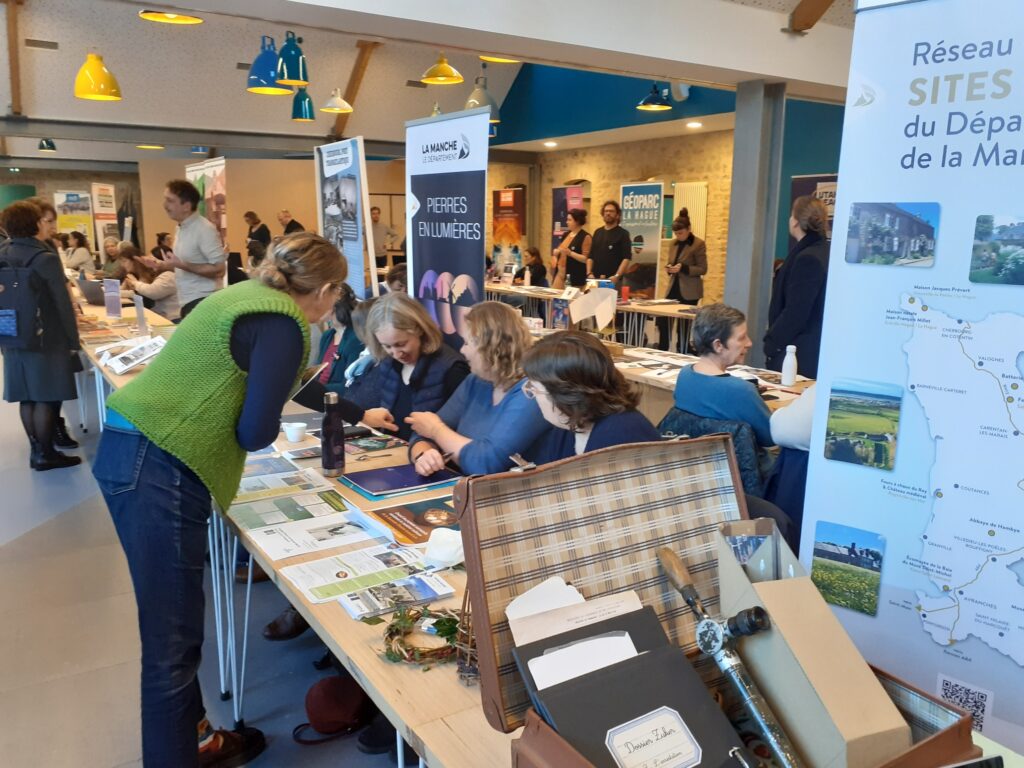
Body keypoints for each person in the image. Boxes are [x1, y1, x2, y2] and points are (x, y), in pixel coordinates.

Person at [92, 233, 352, 768]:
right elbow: (255, 431)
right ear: (327, 289)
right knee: (170, 648)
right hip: (160, 465)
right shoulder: (285, 323)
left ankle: (199, 741)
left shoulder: (243, 296)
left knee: (172, 634)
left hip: (135, 451)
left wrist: (346, 409)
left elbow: (261, 382)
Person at [406, 301, 551, 475]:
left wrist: (436, 430)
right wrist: (423, 456)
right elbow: (422, 431)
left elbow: (486, 464)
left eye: (467, 343)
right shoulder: (477, 381)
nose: (462, 350)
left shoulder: (531, 393)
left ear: (491, 349)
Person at [0, 200, 82, 470]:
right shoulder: (44, 258)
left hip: (11, 331)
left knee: (27, 395)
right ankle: (46, 454)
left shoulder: (2, 252)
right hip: (46, 335)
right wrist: (72, 340)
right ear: (35, 223)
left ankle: (37, 451)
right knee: (46, 394)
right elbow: (61, 303)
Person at [522, 331, 660, 463]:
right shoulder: (571, 422)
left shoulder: (621, 437)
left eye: (534, 389)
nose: (532, 396)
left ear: (564, 396)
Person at [364, 292, 469, 441]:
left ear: (419, 330)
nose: (396, 354)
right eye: (387, 346)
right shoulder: (388, 362)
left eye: (401, 344)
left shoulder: (452, 369)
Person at [672, 303, 773, 446]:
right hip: (737, 458)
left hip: (697, 454)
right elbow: (770, 438)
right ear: (718, 345)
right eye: (742, 338)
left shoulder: (685, 375)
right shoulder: (741, 390)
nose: (749, 343)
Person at [764, 195, 830, 378]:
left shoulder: (808, 258)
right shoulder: (824, 251)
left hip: (799, 352)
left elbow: (796, 311)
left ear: (795, 221)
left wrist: (772, 342)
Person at [142, 180, 226, 319]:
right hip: (187, 302)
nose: (164, 205)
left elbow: (219, 270)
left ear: (186, 206)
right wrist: (161, 265)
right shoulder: (181, 228)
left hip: (204, 302)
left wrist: (181, 264)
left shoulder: (205, 229)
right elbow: (185, 266)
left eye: (170, 201)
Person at [657, 210, 707, 352]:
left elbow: (703, 269)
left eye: (681, 233)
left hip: (690, 290)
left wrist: (683, 268)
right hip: (674, 286)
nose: (678, 236)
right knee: (664, 319)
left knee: (683, 325)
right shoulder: (673, 244)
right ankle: (663, 348)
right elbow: (671, 262)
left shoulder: (698, 244)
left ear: (689, 229)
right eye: (676, 233)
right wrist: (669, 268)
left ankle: (683, 349)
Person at [313, 284, 364, 395]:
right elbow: (318, 375)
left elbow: (348, 386)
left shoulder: (355, 339)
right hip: (320, 396)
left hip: (335, 400)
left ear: (333, 306)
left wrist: (313, 390)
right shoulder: (327, 336)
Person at [588, 200, 632, 285]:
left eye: (611, 211)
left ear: (617, 215)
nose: (608, 213)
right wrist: (589, 273)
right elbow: (590, 256)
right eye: (606, 211)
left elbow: (626, 258)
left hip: (613, 281)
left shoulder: (623, 234)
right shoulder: (597, 232)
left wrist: (617, 276)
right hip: (595, 280)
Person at [551, 208, 591, 289]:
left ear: (577, 221)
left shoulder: (585, 237)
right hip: (560, 273)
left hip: (574, 276)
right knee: (554, 294)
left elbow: (585, 259)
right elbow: (561, 249)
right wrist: (557, 252)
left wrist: (571, 253)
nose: (567, 222)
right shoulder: (566, 234)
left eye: (569, 220)